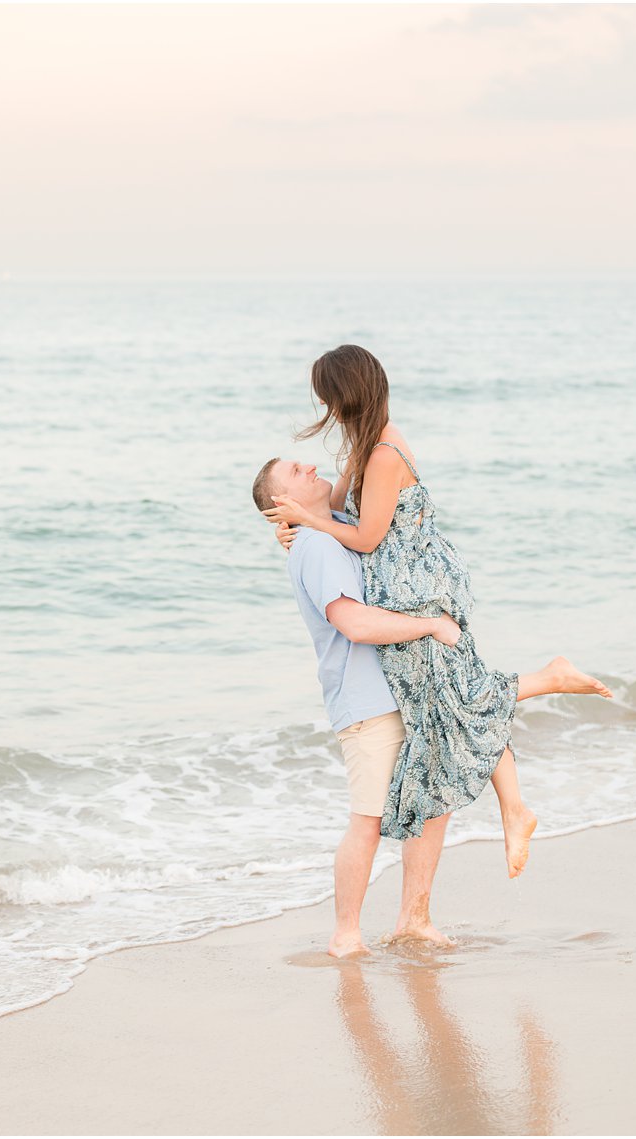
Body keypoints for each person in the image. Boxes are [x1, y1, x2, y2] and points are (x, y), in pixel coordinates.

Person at [260, 346, 611, 879]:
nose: (323, 407)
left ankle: (544, 696)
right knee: (457, 698)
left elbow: (366, 534)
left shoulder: (380, 453)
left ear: (341, 397)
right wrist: (297, 525)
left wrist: (316, 525)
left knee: (459, 696)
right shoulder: (366, 443)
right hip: (412, 583)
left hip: (417, 589)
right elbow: (338, 511)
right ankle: (516, 804)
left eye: (326, 397)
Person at [253, 458, 611, 948]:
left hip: (405, 686)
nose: (310, 465)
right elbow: (353, 623)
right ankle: (346, 936)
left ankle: (415, 918)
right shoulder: (315, 545)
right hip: (367, 703)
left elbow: (366, 494)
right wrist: (429, 625)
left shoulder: (335, 527)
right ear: (282, 502)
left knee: (431, 800)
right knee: (369, 822)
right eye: (296, 470)